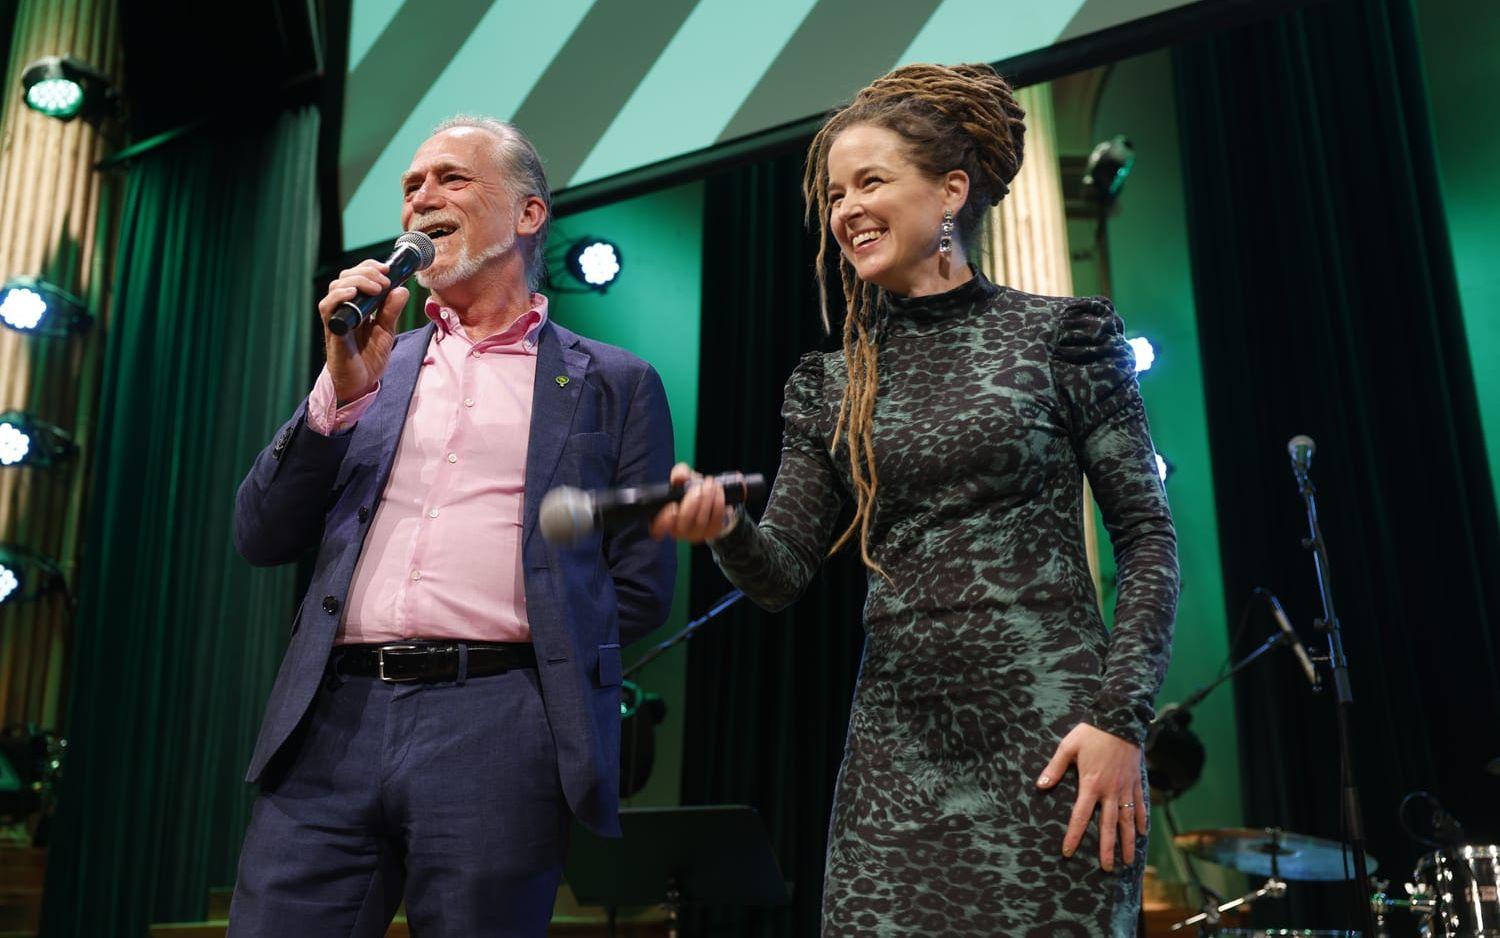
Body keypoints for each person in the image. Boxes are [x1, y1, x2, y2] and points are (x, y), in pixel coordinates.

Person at [652, 63, 1178, 935]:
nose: (846, 208)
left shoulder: (1061, 334)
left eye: (871, 182)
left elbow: (1148, 539)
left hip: (1056, 738)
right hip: (899, 751)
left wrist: (1121, 721)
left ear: (949, 192)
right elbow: (779, 574)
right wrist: (726, 528)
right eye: (834, 193)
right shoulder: (828, 384)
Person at [227, 116, 676, 937]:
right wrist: (339, 398)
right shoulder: (369, 362)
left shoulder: (614, 382)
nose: (421, 196)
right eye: (410, 185)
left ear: (529, 215)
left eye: (452, 179)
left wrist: (542, 697)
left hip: (498, 724)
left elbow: (641, 588)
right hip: (331, 719)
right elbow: (260, 534)